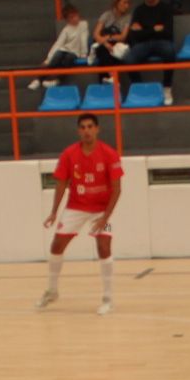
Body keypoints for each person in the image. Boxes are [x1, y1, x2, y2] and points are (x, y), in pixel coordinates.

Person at [38, 113, 124, 316]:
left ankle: (108, 298)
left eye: (90, 127)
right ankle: (52, 290)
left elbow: (117, 189)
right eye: (83, 127)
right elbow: (60, 184)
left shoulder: (109, 154)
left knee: (103, 246)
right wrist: (53, 212)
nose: (87, 131)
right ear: (78, 131)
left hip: (101, 210)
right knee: (57, 244)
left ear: (97, 129)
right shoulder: (69, 154)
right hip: (76, 207)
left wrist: (105, 218)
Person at [124, 0, 178, 102]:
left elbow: (168, 32)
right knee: (129, 59)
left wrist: (144, 30)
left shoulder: (166, 9)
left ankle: (167, 87)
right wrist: (154, 29)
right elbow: (134, 35)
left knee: (170, 52)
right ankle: (141, 89)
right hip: (143, 44)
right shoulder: (139, 10)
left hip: (162, 42)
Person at [30, 4, 91, 89]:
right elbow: (58, 43)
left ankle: (56, 79)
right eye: (71, 18)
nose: (74, 19)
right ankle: (39, 79)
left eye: (75, 16)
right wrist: (48, 59)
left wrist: (83, 54)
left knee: (68, 59)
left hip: (75, 52)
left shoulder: (83, 24)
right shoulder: (66, 29)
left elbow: (83, 39)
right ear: (67, 20)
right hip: (65, 49)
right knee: (57, 56)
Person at [93, 0, 134, 73]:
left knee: (109, 52)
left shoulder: (128, 17)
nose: (127, 6)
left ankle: (110, 77)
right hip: (105, 44)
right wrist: (105, 43)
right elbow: (96, 34)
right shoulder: (106, 15)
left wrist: (109, 38)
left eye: (128, 3)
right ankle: (110, 77)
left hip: (118, 45)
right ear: (117, 2)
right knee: (102, 49)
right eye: (124, 2)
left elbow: (123, 37)